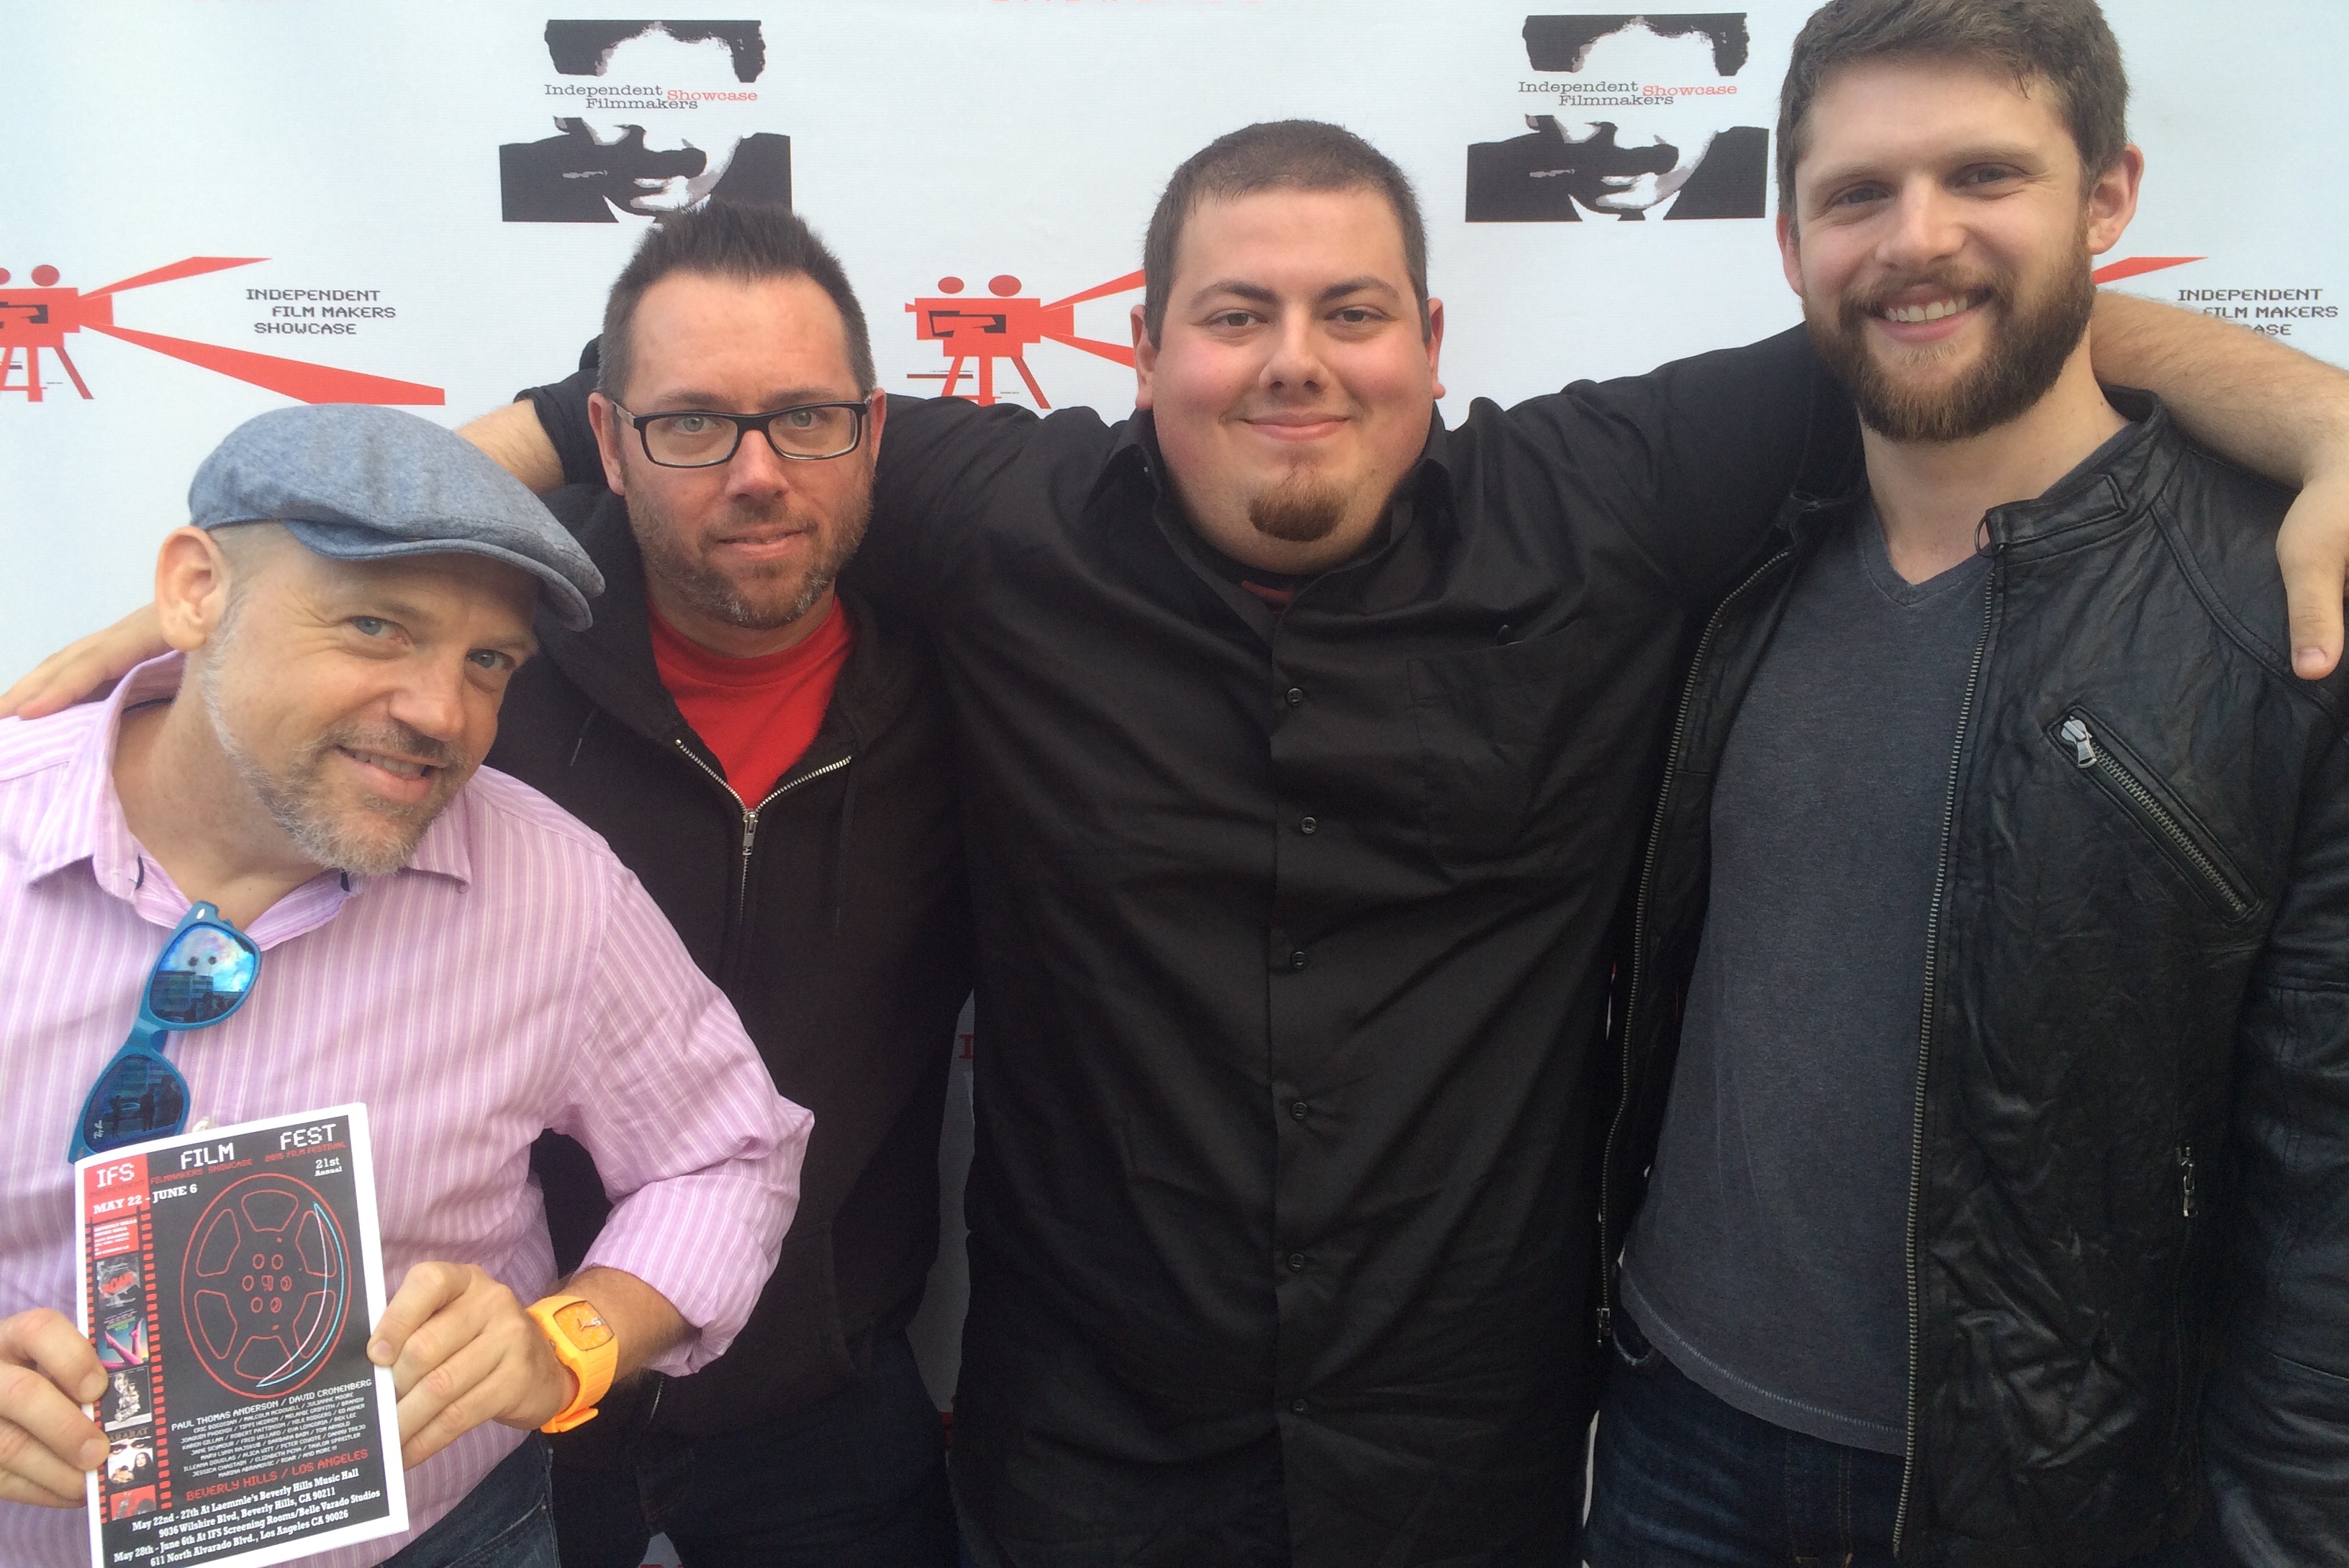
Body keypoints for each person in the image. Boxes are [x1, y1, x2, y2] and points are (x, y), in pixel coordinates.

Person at [17, 121, 2349, 1567]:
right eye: (1231, 314)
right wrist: (164, 630)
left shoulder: (1602, 494)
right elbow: (590, 413)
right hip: (1076, 1459)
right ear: (1139, 349)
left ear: (1433, 340)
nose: (1289, 359)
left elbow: (1947, 310)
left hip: (1460, 1461)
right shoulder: (983, 507)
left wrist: (2333, 419)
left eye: (1348, 313)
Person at [1585, 0, 2349, 1568]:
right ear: (1791, 245)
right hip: (1669, 1446)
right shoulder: (1722, 565)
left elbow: (2324, 1186)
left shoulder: (2281, 615)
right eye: (1859, 193)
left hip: (2048, 1504)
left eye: (1986, 174)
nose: (1917, 236)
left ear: (2108, 198)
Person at [0, 406, 810, 1568]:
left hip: (445, 1536)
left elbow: (728, 1155)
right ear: (194, 589)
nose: (441, 714)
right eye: (377, 627)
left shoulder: (550, 886)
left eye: (488, 663)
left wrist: (565, 1343)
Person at [492, 204, 971, 1565]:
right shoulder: (478, 690)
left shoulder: (973, 700)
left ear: (874, 433)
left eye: (805, 420)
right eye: (691, 424)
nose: (756, 473)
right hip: (499, 1408)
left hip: (824, 1408)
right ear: (603, 440)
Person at [1467, 13, 1768, 222]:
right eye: (1591, 100)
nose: (1627, 143)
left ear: (1728, 106)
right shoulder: (1481, 188)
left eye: (1665, 101)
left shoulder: (1764, 185)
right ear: (1533, 108)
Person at [500, 21, 791, 223]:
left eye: (692, 106)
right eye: (620, 103)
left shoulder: (793, 190)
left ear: (751, 112)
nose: (655, 145)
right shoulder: (517, 188)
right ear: (562, 112)